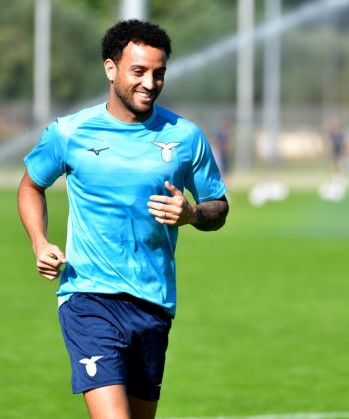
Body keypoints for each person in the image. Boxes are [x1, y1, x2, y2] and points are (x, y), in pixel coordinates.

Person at [17, 20, 228, 419]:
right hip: (89, 296)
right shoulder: (70, 132)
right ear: (110, 69)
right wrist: (39, 242)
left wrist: (193, 213)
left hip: (154, 303)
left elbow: (218, 207)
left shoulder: (185, 136)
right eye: (139, 72)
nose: (150, 83)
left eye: (158, 73)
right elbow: (30, 186)